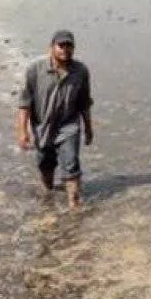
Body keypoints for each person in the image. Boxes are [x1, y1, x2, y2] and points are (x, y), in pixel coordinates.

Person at [17, 29, 94, 209]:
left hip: (69, 125)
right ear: (51, 47)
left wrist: (88, 128)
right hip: (42, 126)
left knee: (71, 163)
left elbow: (84, 103)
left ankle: (74, 206)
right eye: (61, 45)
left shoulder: (80, 72)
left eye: (69, 46)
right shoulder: (34, 70)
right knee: (46, 165)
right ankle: (47, 198)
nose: (65, 50)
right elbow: (24, 103)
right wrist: (22, 131)